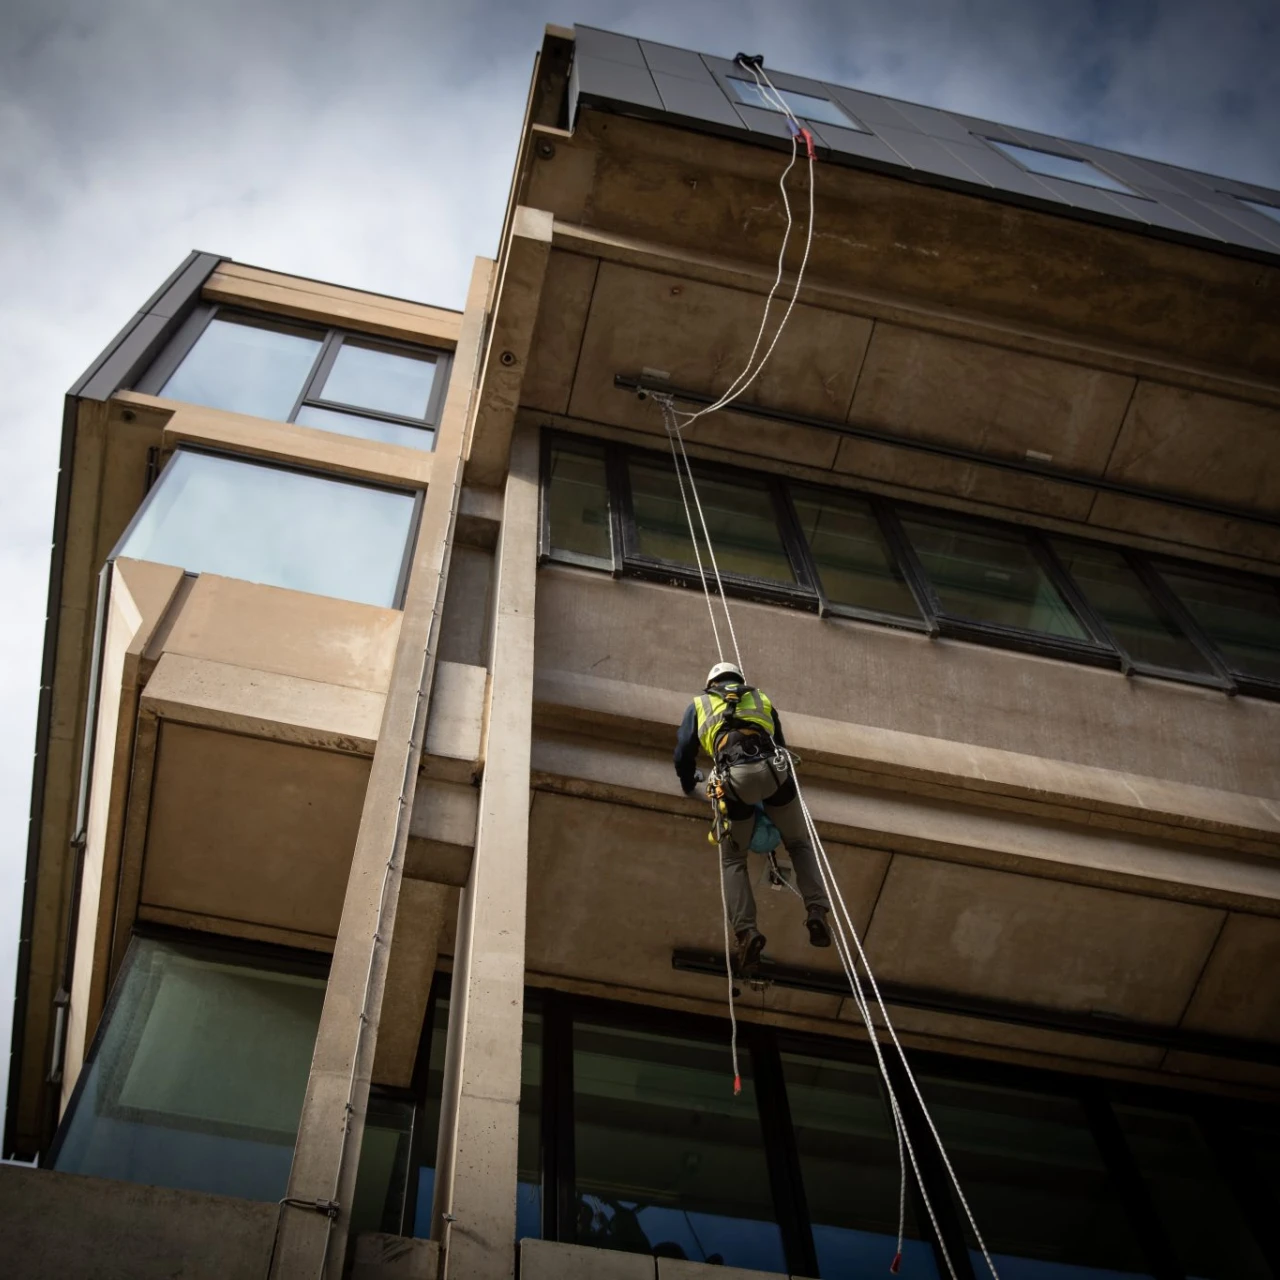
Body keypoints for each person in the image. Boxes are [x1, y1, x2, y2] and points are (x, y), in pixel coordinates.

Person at [675, 661, 831, 973]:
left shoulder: (699, 704)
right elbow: (781, 744)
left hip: (734, 778)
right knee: (799, 844)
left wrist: (689, 781)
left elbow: (683, 754)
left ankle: (747, 932)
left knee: (734, 860)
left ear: (711, 683)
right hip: (775, 771)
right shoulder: (761, 699)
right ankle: (817, 910)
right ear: (739, 680)